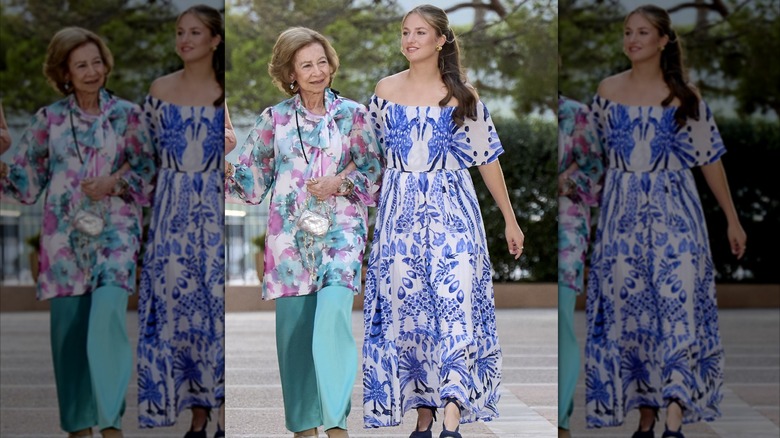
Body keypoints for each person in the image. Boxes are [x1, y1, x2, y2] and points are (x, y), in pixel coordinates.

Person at [361, 5, 525, 438]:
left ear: (440, 40)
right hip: (398, 218)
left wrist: (510, 219)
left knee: (456, 307)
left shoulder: (463, 96)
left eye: (420, 32)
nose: (410, 39)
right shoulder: (384, 89)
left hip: (453, 212)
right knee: (410, 313)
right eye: (405, 32)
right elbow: (369, 156)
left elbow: (487, 160)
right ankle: (423, 414)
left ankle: (452, 410)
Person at [584, 5, 747, 438]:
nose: (632, 39)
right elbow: (592, 155)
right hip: (621, 220)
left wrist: (732, 220)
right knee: (632, 315)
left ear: (663, 40)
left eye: (642, 32)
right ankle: (646, 415)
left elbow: (710, 160)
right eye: (627, 32)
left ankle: (674, 412)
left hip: (677, 216)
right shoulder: (607, 90)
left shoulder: (685, 96)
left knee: (679, 308)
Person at [224, 27, 382, 438]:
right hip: (289, 242)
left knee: (332, 319)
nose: (317, 71)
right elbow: (251, 185)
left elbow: (375, 174)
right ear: (290, 73)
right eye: (306, 65)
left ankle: (336, 423)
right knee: (294, 337)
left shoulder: (354, 115)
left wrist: (340, 184)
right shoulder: (273, 118)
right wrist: (219, 159)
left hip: (341, 233)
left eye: (322, 62)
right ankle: (304, 427)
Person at [0, 27, 155, 438]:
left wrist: (114, 184)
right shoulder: (48, 119)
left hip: (116, 235)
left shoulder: (129, 115)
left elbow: (148, 172)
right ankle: (78, 426)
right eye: (81, 65)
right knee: (68, 336)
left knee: (107, 318)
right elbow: (25, 184)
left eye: (97, 62)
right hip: (63, 242)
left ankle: (110, 422)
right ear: (64, 72)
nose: (91, 72)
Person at [135, 5, 225, 438]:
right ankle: (197, 416)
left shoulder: (227, 91)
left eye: (195, 32)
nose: (184, 40)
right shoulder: (160, 89)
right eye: (179, 32)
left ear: (216, 40)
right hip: (171, 218)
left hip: (216, 214)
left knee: (216, 313)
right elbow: (141, 156)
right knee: (177, 314)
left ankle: (222, 412)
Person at [557, 94, 604, 438]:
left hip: (568, 229)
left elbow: (596, 170)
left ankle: (560, 420)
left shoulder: (577, 115)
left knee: (562, 320)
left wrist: (567, 181)